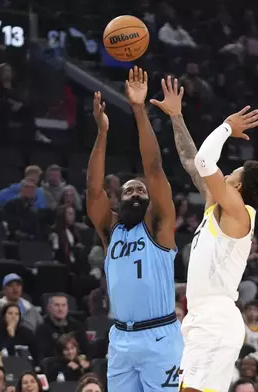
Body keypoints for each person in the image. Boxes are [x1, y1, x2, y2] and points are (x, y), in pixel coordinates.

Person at [150, 76, 258, 392]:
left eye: (234, 173)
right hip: (202, 317)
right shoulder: (217, 205)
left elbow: (206, 161)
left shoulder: (239, 213)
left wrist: (226, 128)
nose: (228, 173)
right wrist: (176, 116)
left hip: (216, 319)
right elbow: (194, 162)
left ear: (238, 186)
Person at [86, 67, 184, 391]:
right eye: (129, 191)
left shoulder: (158, 227)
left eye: (140, 191)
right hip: (121, 338)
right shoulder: (110, 229)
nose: (136, 193)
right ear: (120, 200)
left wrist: (139, 110)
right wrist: (102, 133)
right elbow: (93, 191)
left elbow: (154, 170)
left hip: (159, 337)